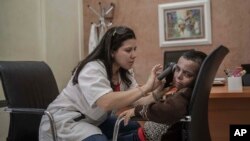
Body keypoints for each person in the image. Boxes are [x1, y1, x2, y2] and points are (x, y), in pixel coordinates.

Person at [39, 26, 163, 141]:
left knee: (134, 126)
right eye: (128, 50)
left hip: (94, 121)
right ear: (112, 51)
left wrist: (156, 93)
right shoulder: (92, 68)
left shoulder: (124, 73)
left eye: (135, 49)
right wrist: (146, 88)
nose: (134, 55)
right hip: (67, 122)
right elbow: (106, 102)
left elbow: (135, 102)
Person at [119, 50, 207, 141]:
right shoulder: (185, 91)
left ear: (198, 78)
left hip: (144, 138)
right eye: (177, 69)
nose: (179, 76)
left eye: (187, 74)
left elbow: (169, 109)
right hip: (142, 133)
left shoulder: (184, 95)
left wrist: (137, 111)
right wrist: (160, 89)